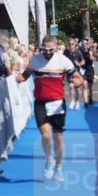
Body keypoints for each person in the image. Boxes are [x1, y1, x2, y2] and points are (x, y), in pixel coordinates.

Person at [20, 35, 74, 182]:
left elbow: (74, 76)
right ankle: (48, 160)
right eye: (45, 49)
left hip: (57, 102)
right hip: (40, 102)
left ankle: (59, 167)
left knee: (58, 137)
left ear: (56, 48)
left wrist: (78, 81)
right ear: (41, 47)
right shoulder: (36, 59)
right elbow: (24, 76)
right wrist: (10, 80)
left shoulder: (63, 60)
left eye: (51, 49)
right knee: (45, 135)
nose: (48, 52)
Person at [64, 38, 87, 110]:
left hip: (77, 72)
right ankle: (72, 101)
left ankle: (77, 101)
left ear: (75, 45)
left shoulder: (78, 52)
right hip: (69, 72)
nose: (71, 45)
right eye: (69, 44)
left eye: (72, 44)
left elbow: (83, 62)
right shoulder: (66, 52)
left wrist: (79, 63)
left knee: (77, 87)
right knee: (71, 86)